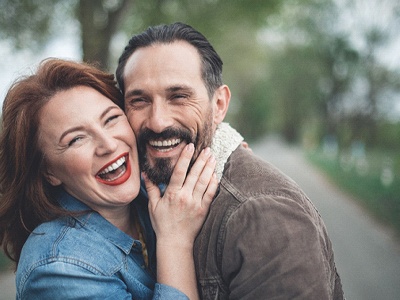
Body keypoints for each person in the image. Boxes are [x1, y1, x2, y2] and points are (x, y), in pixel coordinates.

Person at [116, 22, 345, 299]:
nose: (157, 121)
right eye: (139, 101)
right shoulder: (142, 191)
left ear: (219, 105)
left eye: (178, 97)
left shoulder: (262, 215)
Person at [0, 58, 218, 299]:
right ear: (48, 171)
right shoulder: (58, 267)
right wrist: (175, 241)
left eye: (111, 119)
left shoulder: (151, 187)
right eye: (76, 139)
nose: (109, 144)